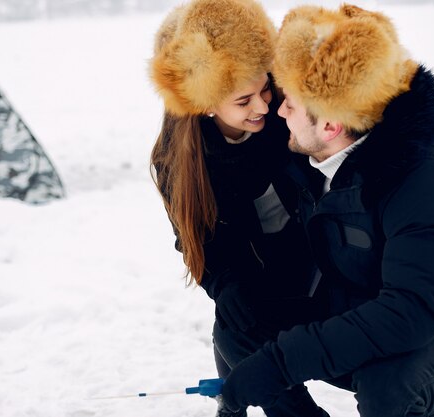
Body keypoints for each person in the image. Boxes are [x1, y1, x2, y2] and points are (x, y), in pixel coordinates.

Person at [220, 4, 434, 417]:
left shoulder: (425, 181)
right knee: (240, 329)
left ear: (331, 126)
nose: (278, 110)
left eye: (290, 104)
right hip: (358, 316)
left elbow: (411, 314)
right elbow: (221, 152)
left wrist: (283, 361)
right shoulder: (314, 152)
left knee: (387, 384)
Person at [149, 1, 327, 416]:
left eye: (264, 88)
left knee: (232, 336)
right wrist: (226, 283)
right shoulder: (180, 159)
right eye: (244, 99)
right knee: (235, 326)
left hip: (311, 254)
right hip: (248, 266)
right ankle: (240, 406)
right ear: (207, 103)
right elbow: (195, 236)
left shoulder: (286, 114)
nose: (263, 106)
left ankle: (234, 407)